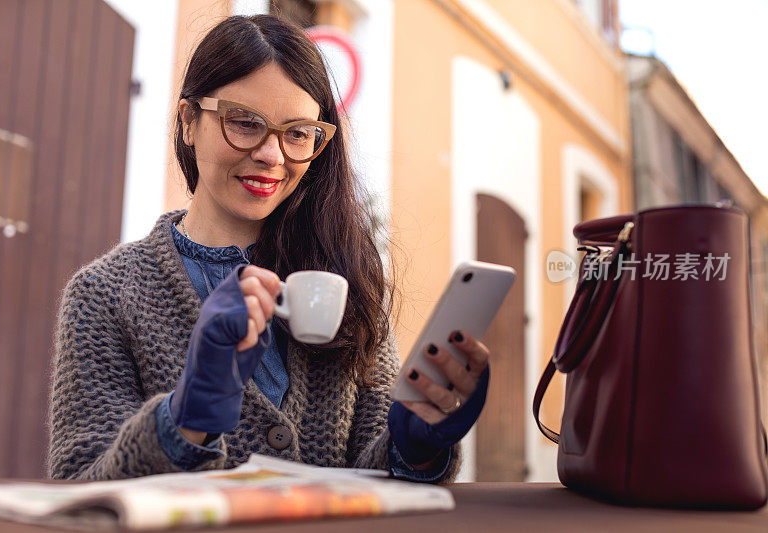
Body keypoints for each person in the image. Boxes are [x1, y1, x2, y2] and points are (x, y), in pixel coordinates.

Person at [48, 14, 490, 483]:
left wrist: (417, 449)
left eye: (297, 132)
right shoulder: (104, 295)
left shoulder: (346, 281)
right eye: (244, 122)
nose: (272, 155)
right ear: (188, 122)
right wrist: (185, 419)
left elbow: (378, 481)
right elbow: (80, 490)